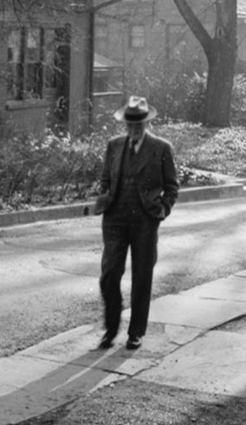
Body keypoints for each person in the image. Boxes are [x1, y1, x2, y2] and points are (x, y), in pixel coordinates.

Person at [93, 96, 179, 351]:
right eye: (130, 124)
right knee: (109, 275)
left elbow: (172, 187)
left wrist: (161, 210)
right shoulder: (114, 146)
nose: (134, 128)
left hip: (144, 221)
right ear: (125, 125)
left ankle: (136, 333)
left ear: (147, 122)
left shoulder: (161, 148)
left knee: (142, 276)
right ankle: (110, 330)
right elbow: (106, 179)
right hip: (115, 220)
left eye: (139, 123)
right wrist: (106, 197)